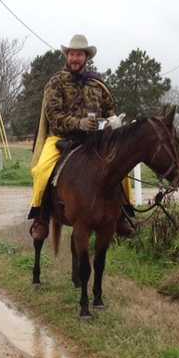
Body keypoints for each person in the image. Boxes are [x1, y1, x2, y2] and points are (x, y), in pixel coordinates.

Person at [28, 34, 132, 238]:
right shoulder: (55, 83)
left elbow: (109, 109)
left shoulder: (97, 83)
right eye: (72, 54)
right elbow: (54, 116)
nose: (75, 58)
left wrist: (113, 120)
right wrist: (79, 123)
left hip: (94, 140)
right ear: (67, 56)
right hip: (61, 139)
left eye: (79, 54)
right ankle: (40, 217)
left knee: (122, 169)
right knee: (41, 170)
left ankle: (123, 215)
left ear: (86, 57)